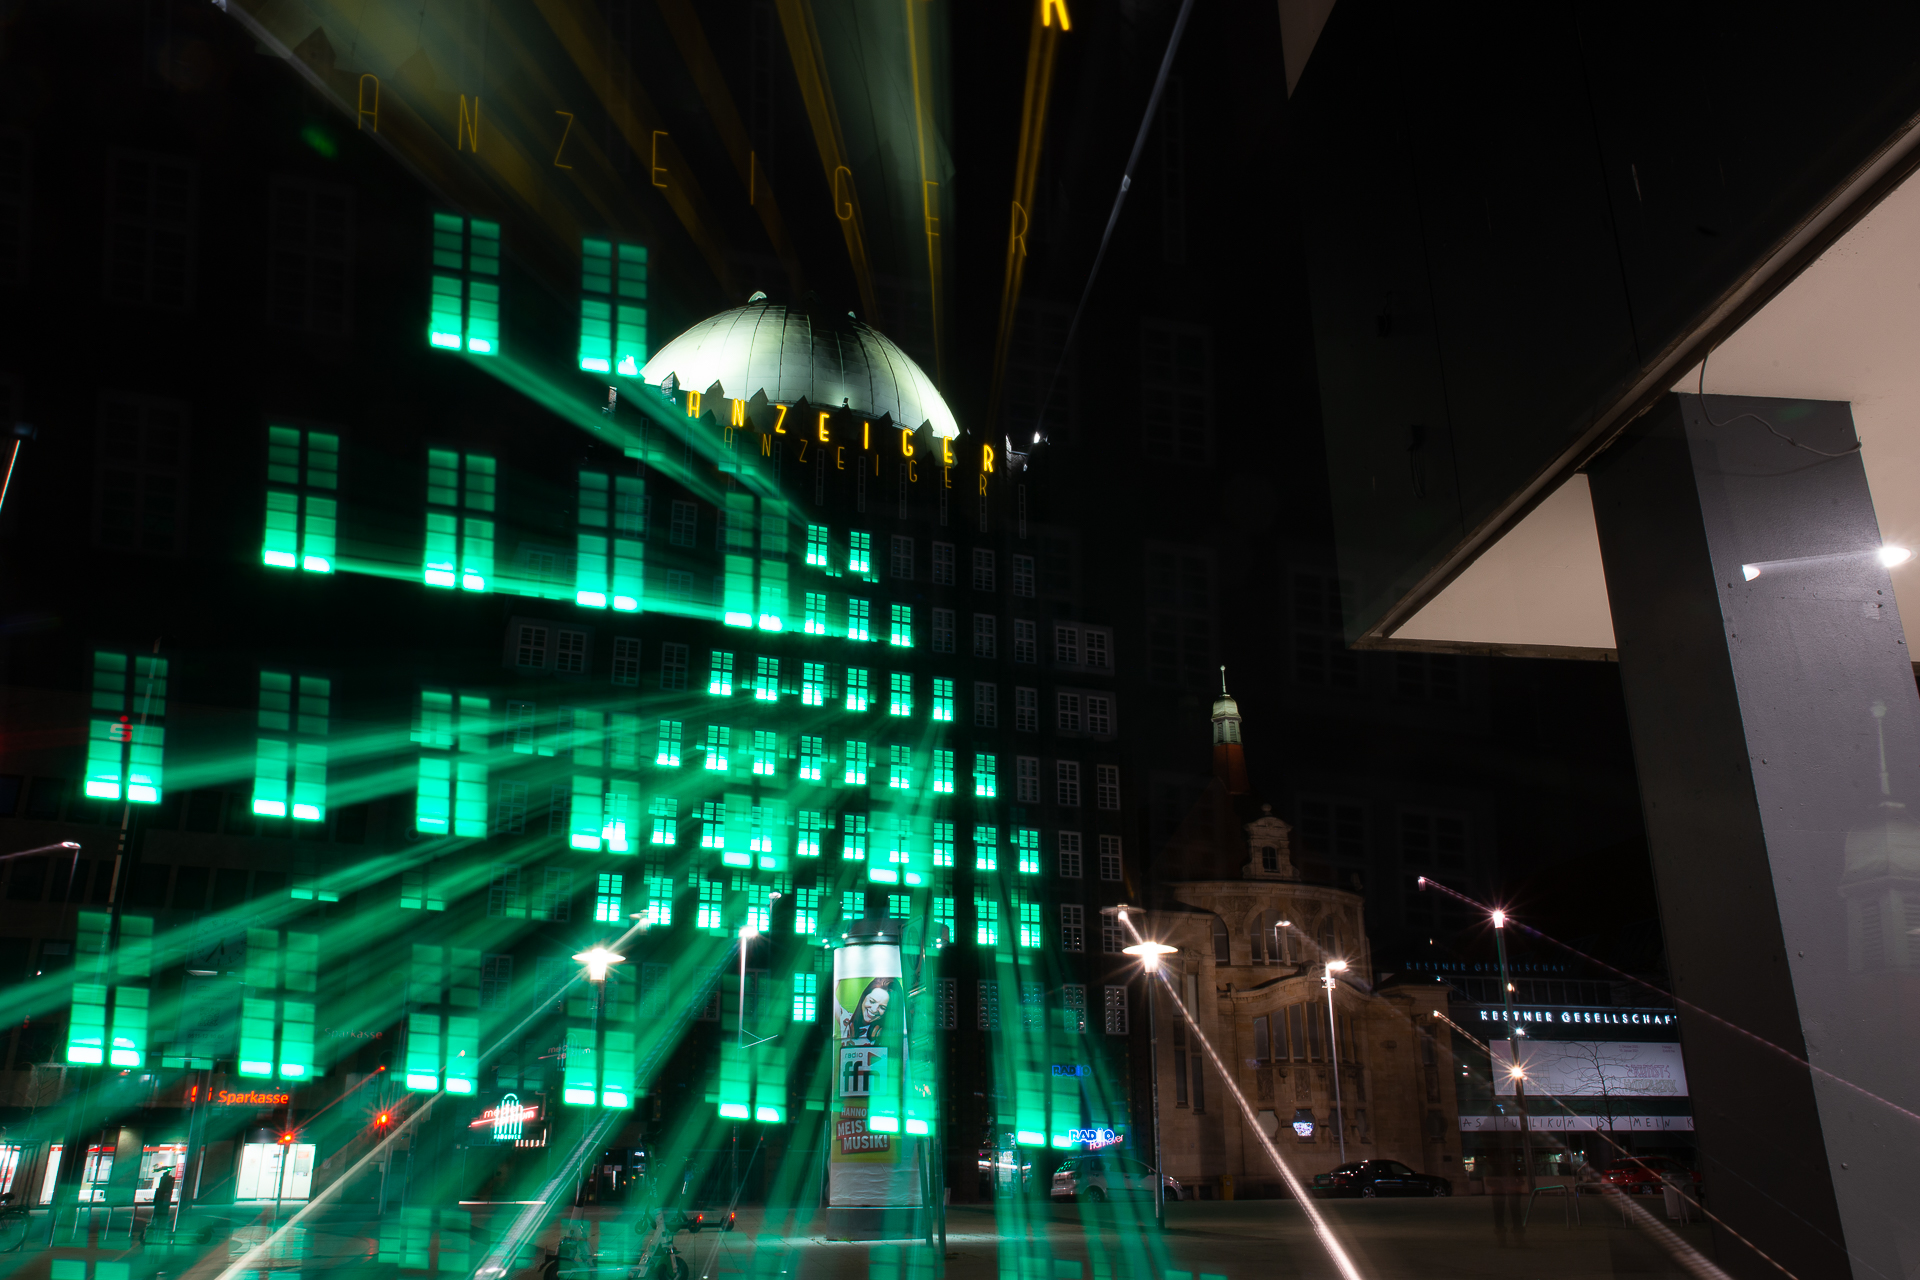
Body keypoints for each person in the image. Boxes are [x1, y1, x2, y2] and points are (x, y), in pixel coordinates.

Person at [151, 1166, 177, 1236]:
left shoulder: (165, 1182)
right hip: (162, 1202)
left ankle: (157, 1229)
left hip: (161, 1202)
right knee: (160, 1217)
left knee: (159, 1217)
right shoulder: (167, 1181)